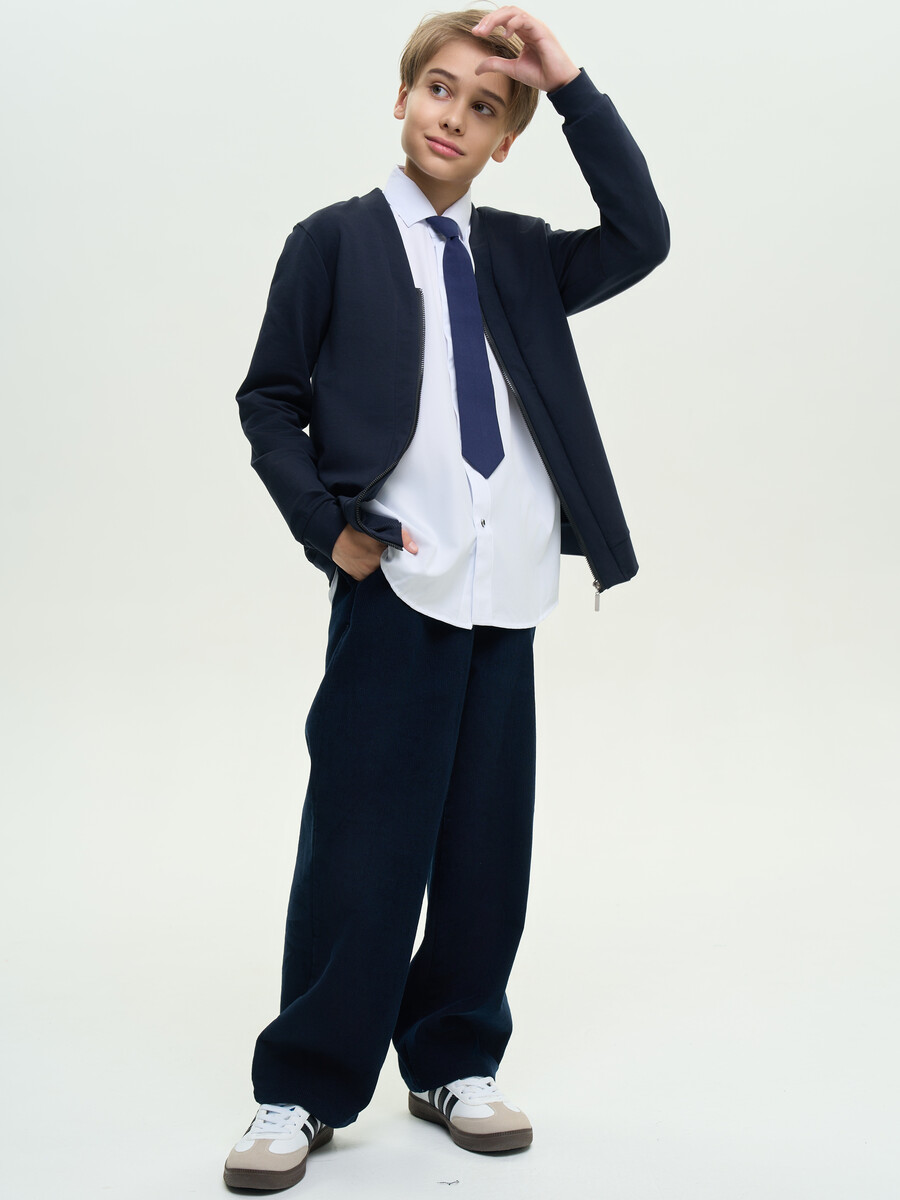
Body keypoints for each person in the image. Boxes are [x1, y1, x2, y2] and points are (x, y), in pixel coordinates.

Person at [224, 5, 669, 1191]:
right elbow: (269, 399)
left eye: (484, 107)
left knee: (483, 846)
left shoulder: (521, 254)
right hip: (400, 584)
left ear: (505, 140)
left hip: (505, 587)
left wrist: (567, 83)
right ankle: (303, 1086)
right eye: (440, 89)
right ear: (402, 95)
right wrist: (328, 531)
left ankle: (452, 1061)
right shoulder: (333, 241)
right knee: (361, 844)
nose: (455, 118)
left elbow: (643, 234)